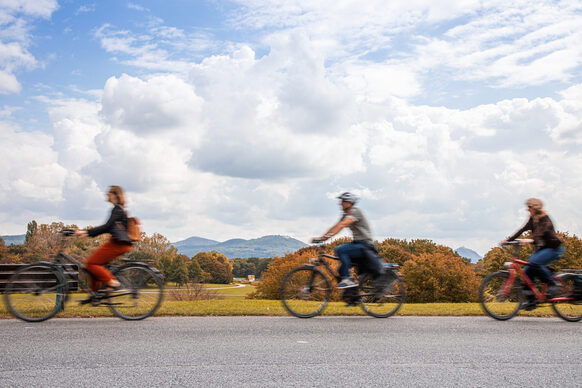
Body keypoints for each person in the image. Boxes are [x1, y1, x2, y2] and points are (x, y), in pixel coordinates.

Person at [312, 192, 384, 289]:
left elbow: (342, 225)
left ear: (350, 202)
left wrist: (325, 237)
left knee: (340, 250)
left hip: (365, 245)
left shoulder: (354, 211)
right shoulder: (346, 214)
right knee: (341, 270)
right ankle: (352, 296)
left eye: (343, 201)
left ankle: (347, 279)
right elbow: (335, 226)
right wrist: (322, 238)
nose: (340, 203)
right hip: (358, 244)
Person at [500, 198, 564, 307]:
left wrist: (531, 239)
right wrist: (508, 240)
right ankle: (531, 301)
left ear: (534, 208)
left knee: (534, 263)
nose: (527, 209)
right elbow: (521, 230)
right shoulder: (532, 219)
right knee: (527, 270)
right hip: (543, 249)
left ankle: (552, 283)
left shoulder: (545, 219)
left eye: (529, 207)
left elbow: (541, 232)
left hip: (554, 248)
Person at [75, 185, 133, 293]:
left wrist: (86, 232)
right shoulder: (119, 210)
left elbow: (107, 227)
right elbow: (109, 227)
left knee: (91, 263)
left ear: (115, 195)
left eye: (109, 192)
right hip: (116, 243)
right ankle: (94, 295)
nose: (107, 194)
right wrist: (86, 233)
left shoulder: (117, 210)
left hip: (118, 244)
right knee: (94, 264)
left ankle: (114, 283)